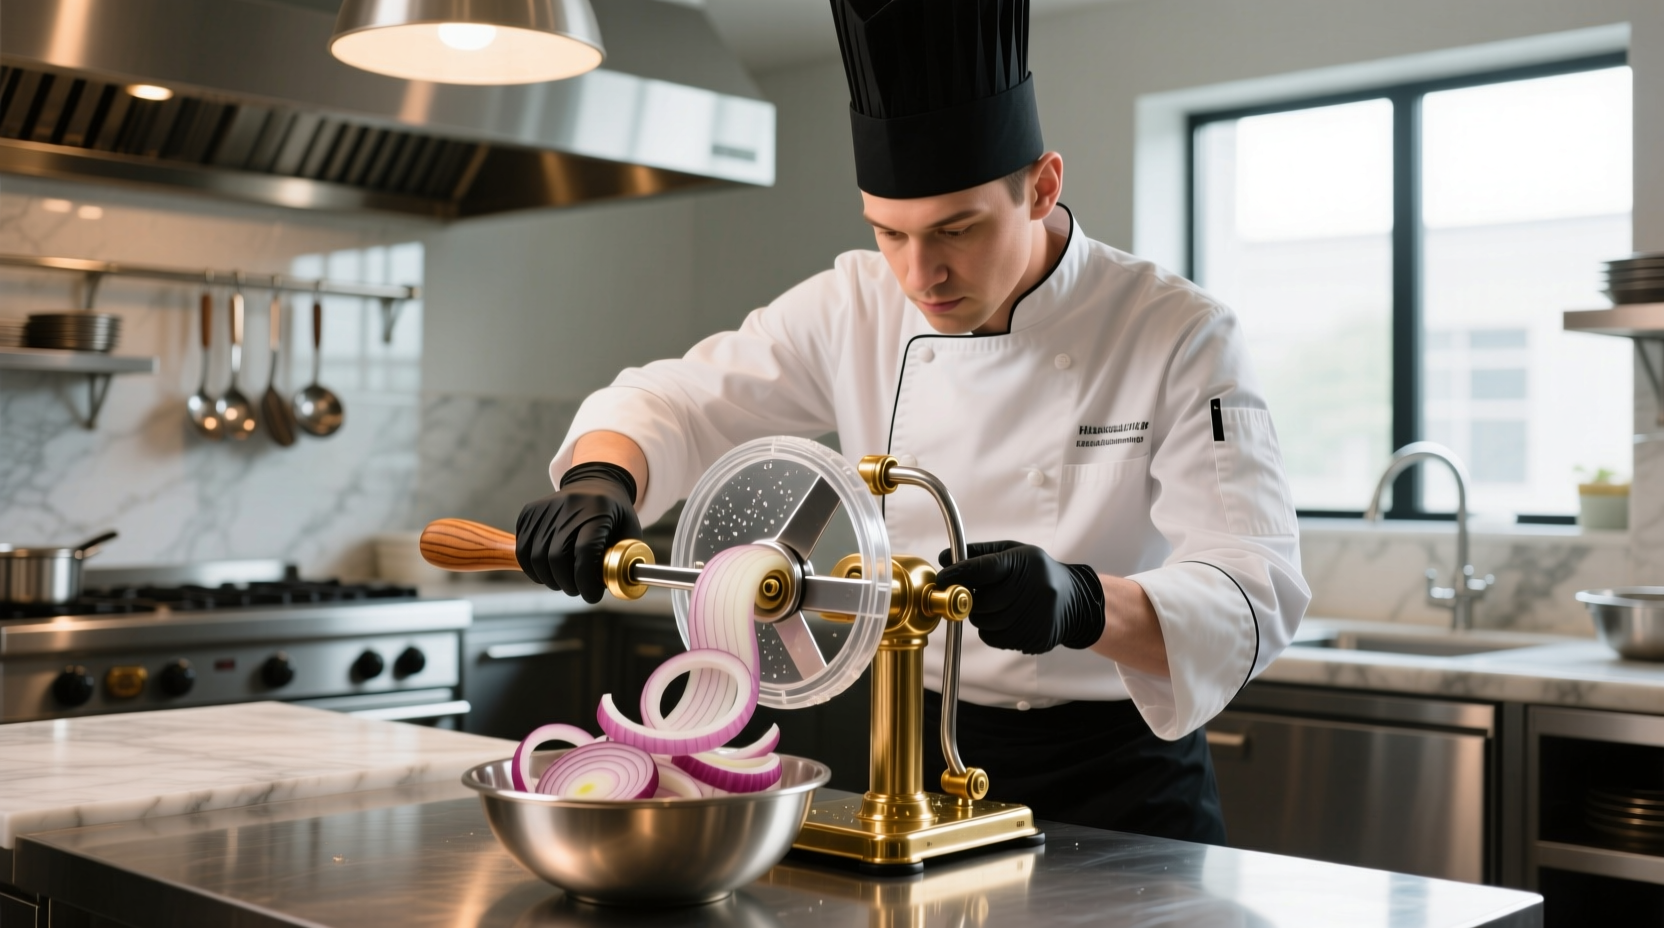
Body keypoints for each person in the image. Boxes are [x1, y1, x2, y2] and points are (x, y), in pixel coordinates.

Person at [515, 0, 1309, 844]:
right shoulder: (852, 303)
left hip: (1124, 781)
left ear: (1042, 187)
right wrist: (600, 479)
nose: (920, 274)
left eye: (956, 231)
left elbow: (1254, 588)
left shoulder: (1175, 330)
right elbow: (674, 398)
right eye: (889, 232)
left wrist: (1084, 603)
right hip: (917, 758)